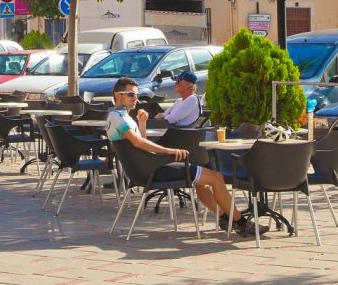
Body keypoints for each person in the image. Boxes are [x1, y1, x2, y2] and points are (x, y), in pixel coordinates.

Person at [107, 76, 249, 234]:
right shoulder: (118, 117)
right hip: (154, 170)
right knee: (216, 177)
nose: (136, 99)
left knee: (203, 181)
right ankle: (241, 222)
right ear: (118, 95)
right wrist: (171, 151)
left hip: (143, 169)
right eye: (131, 95)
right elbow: (139, 143)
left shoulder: (119, 117)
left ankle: (225, 218)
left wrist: (142, 123)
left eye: (137, 95)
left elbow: (140, 143)